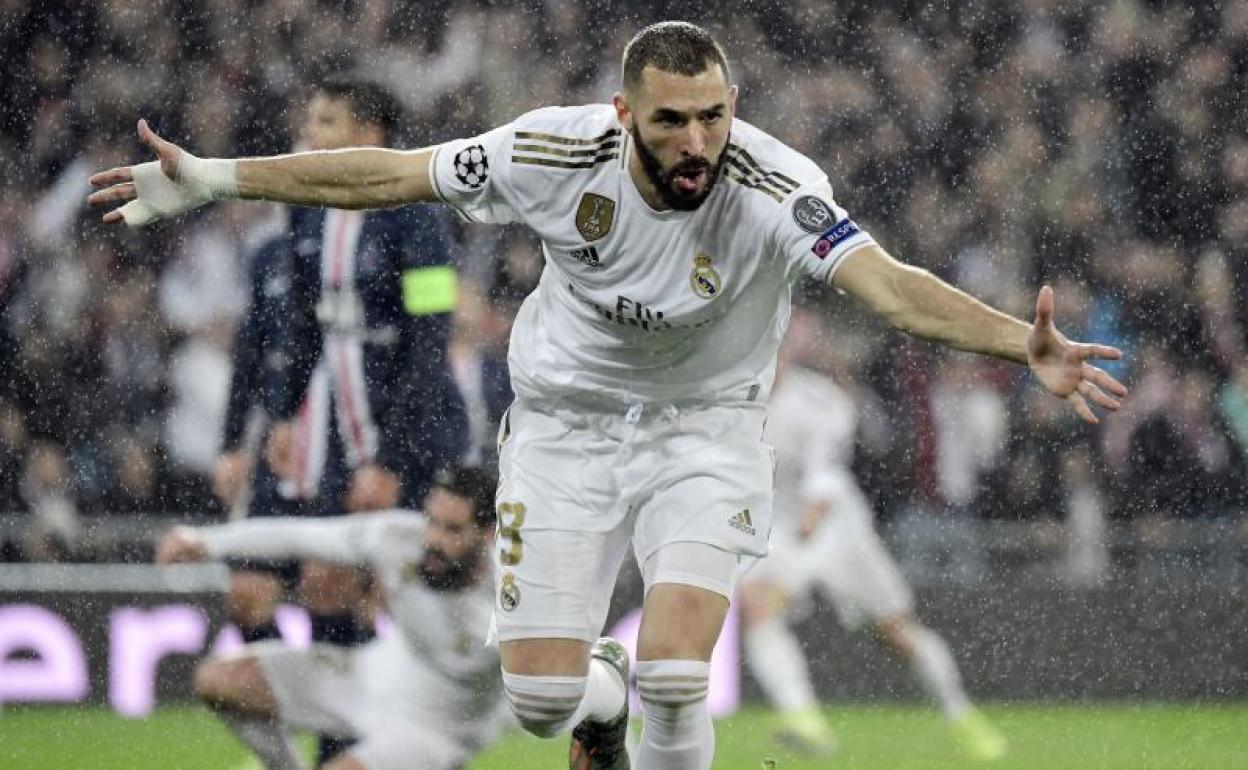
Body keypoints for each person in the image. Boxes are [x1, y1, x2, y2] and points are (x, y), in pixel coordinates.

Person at [89, 21, 1127, 770]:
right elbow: (386, 177)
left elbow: (889, 284)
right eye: (673, 121)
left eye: (715, 117)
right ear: (626, 113)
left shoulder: (773, 187)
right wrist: (220, 177)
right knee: (541, 701)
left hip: (706, 431)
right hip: (561, 429)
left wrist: (1012, 342)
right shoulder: (552, 150)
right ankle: (601, 699)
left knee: (681, 674)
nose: (698, 142)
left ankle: (642, 698)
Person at [262, 75, 470, 764]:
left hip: (409, 430)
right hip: (331, 422)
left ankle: (417, 737)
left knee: (392, 592)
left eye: (326, 122)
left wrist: (393, 457)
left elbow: (431, 336)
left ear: (370, 135)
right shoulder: (305, 207)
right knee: (323, 581)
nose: (310, 134)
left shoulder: (418, 213)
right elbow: (298, 317)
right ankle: (341, 743)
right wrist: (286, 412)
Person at [739, 328, 1007, 760]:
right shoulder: (732, 405)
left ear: (787, 353)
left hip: (837, 527)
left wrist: (800, 532)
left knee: (897, 632)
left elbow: (824, 475)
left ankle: (960, 713)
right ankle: (805, 721)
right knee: (756, 607)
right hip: (782, 528)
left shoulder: (821, 401)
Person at [155, 465, 501, 770]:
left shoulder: (513, 599)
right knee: (218, 679)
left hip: (435, 732)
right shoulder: (397, 539)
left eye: (453, 529)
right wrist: (206, 543)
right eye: (432, 522)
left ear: (487, 534)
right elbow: (300, 536)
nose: (434, 540)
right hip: (369, 677)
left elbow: (545, 686)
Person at [212, 232, 300, 648]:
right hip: (276, 447)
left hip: (345, 446)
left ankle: (344, 706)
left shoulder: (385, 232)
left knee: (333, 587)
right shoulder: (270, 254)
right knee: (246, 597)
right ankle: (291, 704)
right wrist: (231, 446)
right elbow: (249, 352)